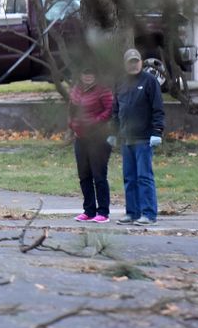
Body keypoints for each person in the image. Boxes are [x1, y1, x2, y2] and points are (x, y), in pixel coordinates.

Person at [108, 48, 165, 225]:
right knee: (129, 178)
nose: (133, 65)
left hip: (144, 139)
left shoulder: (149, 81)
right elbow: (116, 110)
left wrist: (157, 132)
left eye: (136, 61)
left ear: (141, 62)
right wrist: (114, 132)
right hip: (126, 139)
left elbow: (158, 109)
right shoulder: (121, 82)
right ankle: (132, 212)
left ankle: (148, 214)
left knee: (144, 177)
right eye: (130, 62)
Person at [68, 66, 114, 223]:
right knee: (84, 176)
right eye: (85, 72)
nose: (88, 76)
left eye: (91, 73)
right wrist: (72, 124)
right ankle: (89, 210)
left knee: (99, 176)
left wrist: (95, 123)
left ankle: (103, 212)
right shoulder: (76, 90)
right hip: (81, 138)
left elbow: (110, 110)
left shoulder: (103, 90)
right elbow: (72, 109)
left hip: (98, 139)